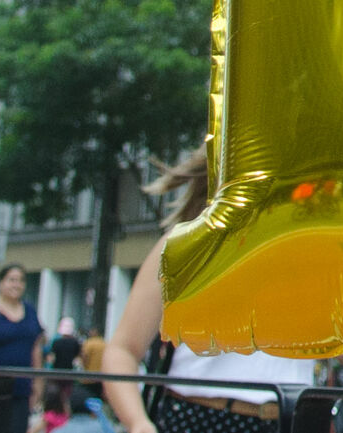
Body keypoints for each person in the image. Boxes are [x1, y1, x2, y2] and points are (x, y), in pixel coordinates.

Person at [101, 154, 313, 433]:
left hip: (292, 420)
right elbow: (123, 349)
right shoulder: (183, 246)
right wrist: (138, 423)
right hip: (200, 417)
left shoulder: (314, 253)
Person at [0, 264, 45, 433]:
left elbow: (36, 346)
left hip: (22, 385)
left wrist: (38, 381)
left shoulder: (30, 310)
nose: (16, 285)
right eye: (11, 280)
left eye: (21, 281)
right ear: (0, 283)